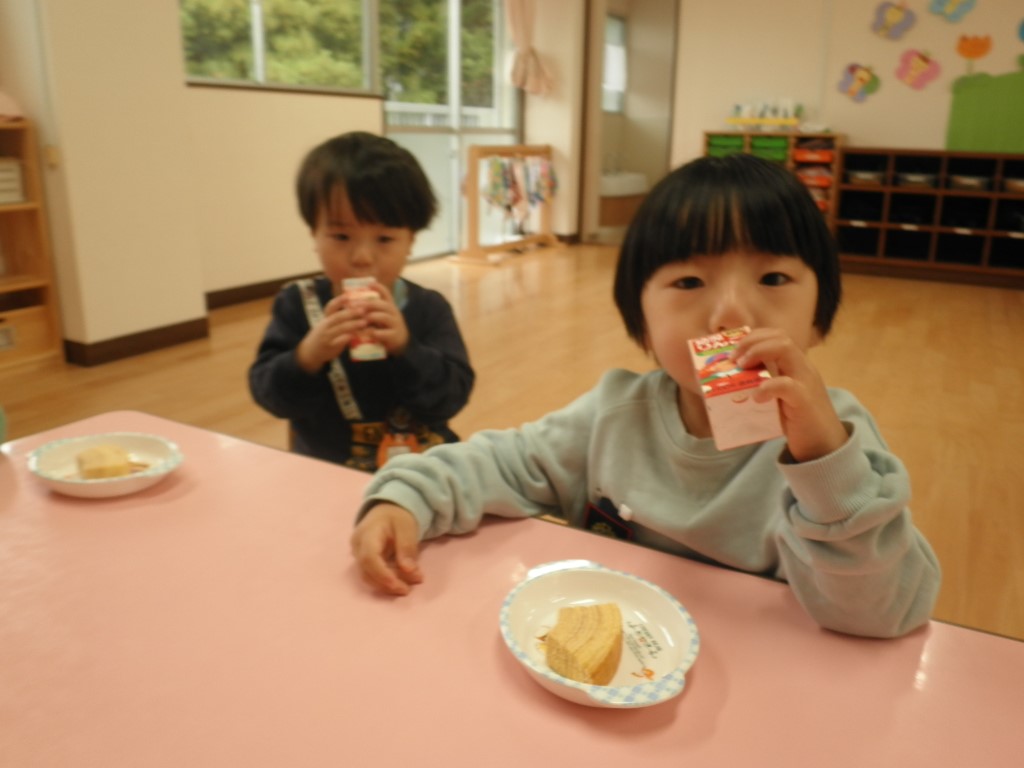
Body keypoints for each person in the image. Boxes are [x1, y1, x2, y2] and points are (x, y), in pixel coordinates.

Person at [350, 153, 941, 638]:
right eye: (689, 281)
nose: (731, 313)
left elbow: (882, 612)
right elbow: (504, 462)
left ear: (818, 317)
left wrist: (824, 464)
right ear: (642, 324)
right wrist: (407, 499)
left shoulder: (837, 439)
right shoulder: (614, 415)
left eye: (773, 278)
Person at [249, 132, 474, 471]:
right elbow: (271, 397)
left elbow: (451, 398)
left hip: (422, 471)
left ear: (411, 241)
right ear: (314, 234)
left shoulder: (429, 309)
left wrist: (406, 348)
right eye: (341, 236)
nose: (362, 258)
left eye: (384, 239)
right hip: (329, 471)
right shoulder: (298, 305)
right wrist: (307, 356)